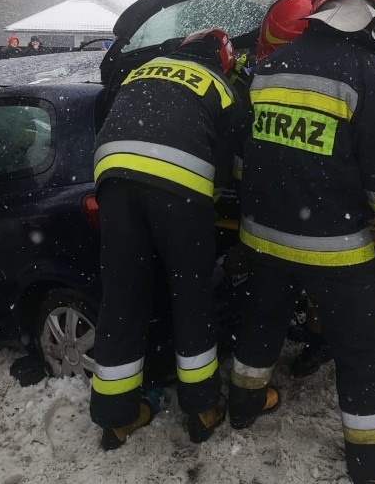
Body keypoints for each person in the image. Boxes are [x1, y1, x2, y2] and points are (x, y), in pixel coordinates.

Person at [230, 0, 375, 484]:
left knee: (261, 324)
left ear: (320, 10)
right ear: (374, 20)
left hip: (262, 237)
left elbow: (243, 159)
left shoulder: (270, 68)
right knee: (366, 351)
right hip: (336, 249)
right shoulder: (371, 77)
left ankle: (245, 404)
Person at [89, 28, 247, 450]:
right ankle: (201, 407)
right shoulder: (224, 89)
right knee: (192, 297)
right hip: (178, 187)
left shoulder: (140, 71)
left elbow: (110, 119)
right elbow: (228, 167)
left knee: (121, 298)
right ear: (225, 61)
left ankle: (115, 418)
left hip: (113, 178)